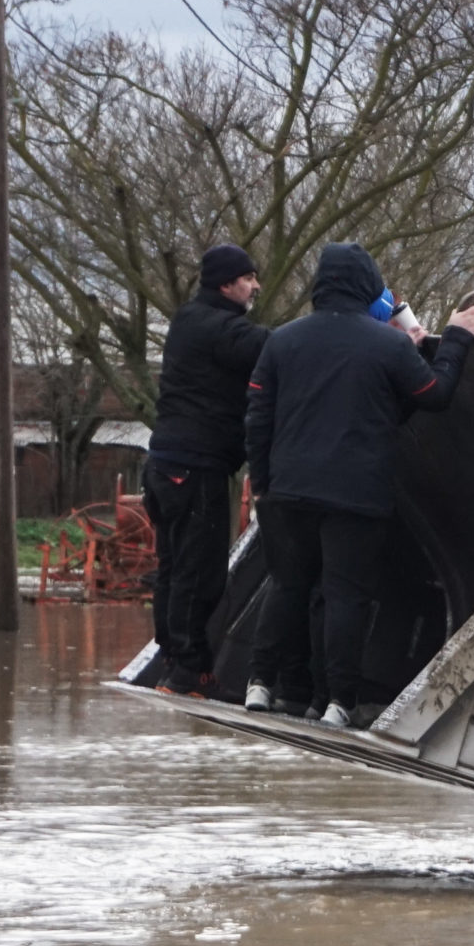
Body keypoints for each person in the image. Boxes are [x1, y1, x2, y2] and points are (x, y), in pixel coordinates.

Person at [244, 245, 474, 727]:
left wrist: (265, 483)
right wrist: (456, 337)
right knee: (344, 597)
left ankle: (259, 684)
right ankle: (338, 703)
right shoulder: (388, 346)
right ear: (367, 286)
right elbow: (433, 395)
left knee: (289, 586)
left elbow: (258, 418)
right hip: (355, 494)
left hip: (288, 489)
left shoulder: (281, 341)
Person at [145, 244, 271, 697]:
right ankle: (188, 675)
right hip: (196, 469)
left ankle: (173, 662)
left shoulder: (187, 318)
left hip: (164, 463)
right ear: (226, 283)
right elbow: (277, 346)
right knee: (201, 574)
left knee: (174, 569)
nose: (256, 285)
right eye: (248, 278)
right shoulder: (222, 328)